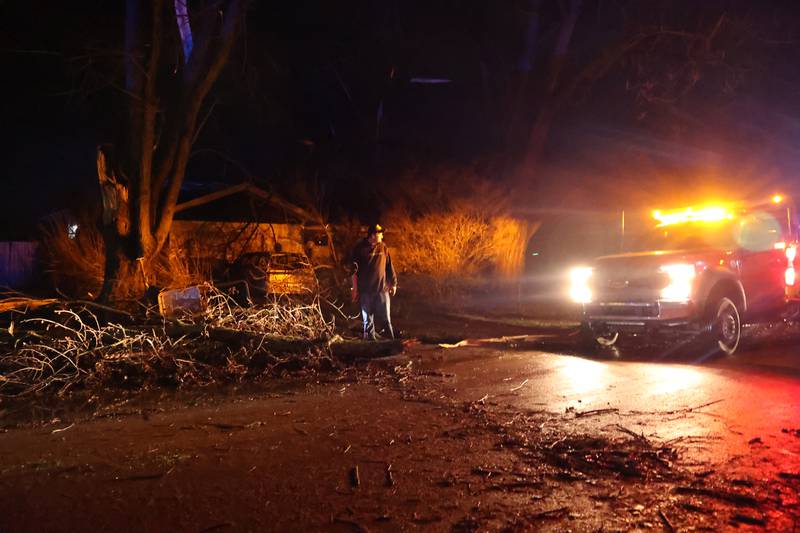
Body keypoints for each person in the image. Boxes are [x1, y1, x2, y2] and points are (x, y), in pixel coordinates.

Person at [350, 223, 397, 340]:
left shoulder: (383, 247)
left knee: (386, 320)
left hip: (382, 290)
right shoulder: (359, 249)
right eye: (380, 234)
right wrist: (354, 289)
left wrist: (393, 283)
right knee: (368, 322)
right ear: (373, 235)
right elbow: (353, 271)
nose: (382, 236)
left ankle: (392, 344)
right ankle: (369, 345)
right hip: (365, 291)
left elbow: (389, 266)